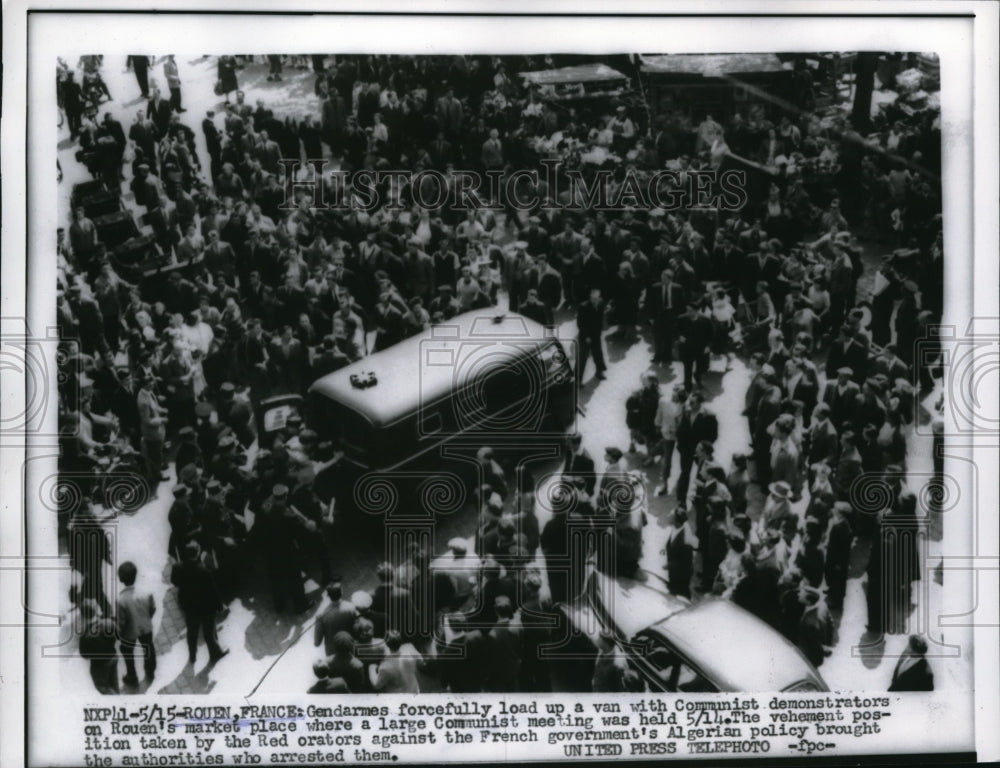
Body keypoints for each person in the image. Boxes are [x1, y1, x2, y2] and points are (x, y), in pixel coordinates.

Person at [170, 541, 229, 666]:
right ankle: (215, 653)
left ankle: (192, 655)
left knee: (192, 632)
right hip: (206, 606)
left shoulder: (177, 567)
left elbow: (174, 581)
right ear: (197, 553)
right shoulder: (204, 571)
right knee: (209, 633)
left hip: (189, 605)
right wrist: (220, 606)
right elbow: (213, 591)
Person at [116, 561, 156, 686]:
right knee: (148, 648)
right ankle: (150, 671)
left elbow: (121, 622)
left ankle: (132, 675)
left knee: (126, 650)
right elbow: (153, 608)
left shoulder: (121, 600)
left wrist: (119, 633)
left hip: (130, 632)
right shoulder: (147, 592)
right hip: (146, 627)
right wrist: (146, 618)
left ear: (121, 579)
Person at [78, 599, 119, 695]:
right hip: (113, 657)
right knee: (114, 684)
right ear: (96, 611)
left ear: (83, 616)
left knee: (104, 688)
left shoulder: (85, 635)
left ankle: (114, 701)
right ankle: (118, 699)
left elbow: (84, 655)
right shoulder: (109, 622)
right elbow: (118, 636)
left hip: (99, 666)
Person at [314, 583, 359, 657]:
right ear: (341, 592)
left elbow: (317, 643)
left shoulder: (321, 615)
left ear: (328, 595)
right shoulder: (352, 608)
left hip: (332, 653)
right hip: (350, 648)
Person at [576, 288, 607, 381]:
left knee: (598, 355)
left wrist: (599, 332)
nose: (595, 300)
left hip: (596, 335)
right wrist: (586, 337)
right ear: (590, 297)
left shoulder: (601, 304)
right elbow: (580, 323)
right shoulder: (583, 306)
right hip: (585, 337)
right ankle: (577, 379)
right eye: (593, 298)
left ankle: (599, 372)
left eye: (597, 298)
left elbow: (600, 319)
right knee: (582, 359)